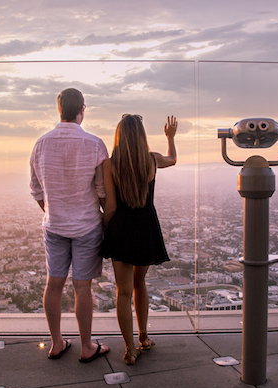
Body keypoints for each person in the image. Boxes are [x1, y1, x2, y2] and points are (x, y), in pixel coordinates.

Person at [30, 88, 110, 363]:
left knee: (53, 284)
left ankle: (56, 343)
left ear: (59, 109)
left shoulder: (41, 144)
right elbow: (101, 190)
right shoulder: (95, 144)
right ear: (82, 109)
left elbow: (36, 190)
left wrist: (54, 209)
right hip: (87, 225)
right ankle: (86, 346)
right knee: (82, 287)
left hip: (55, 224)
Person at [100, 114, 177, 365]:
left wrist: (104, 230)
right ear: (141, 135)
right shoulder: (151, 160)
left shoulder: (110, 165)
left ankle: (130, 349)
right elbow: (173, 159)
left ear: (119, 135)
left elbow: (110, 207)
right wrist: (170, 138)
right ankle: (144, 337)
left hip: (121, 229)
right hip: (145, 227)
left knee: (122, 292)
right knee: (139, 283)